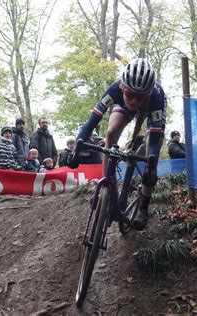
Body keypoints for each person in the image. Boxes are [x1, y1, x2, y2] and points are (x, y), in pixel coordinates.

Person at [74, 58, 166, 230]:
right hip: (124, 104)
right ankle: (106, 184)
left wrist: (151, 164)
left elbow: (154, 138)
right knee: (111, 132)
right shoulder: (115, 88)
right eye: (130, 95)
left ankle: (144, 207)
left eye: (140, 97)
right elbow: (92, 121)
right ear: (123, 88)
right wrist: (78, 145)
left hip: (152, 107)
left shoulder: (156, 96)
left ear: (147, 93)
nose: (134, 101)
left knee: (151, 155)